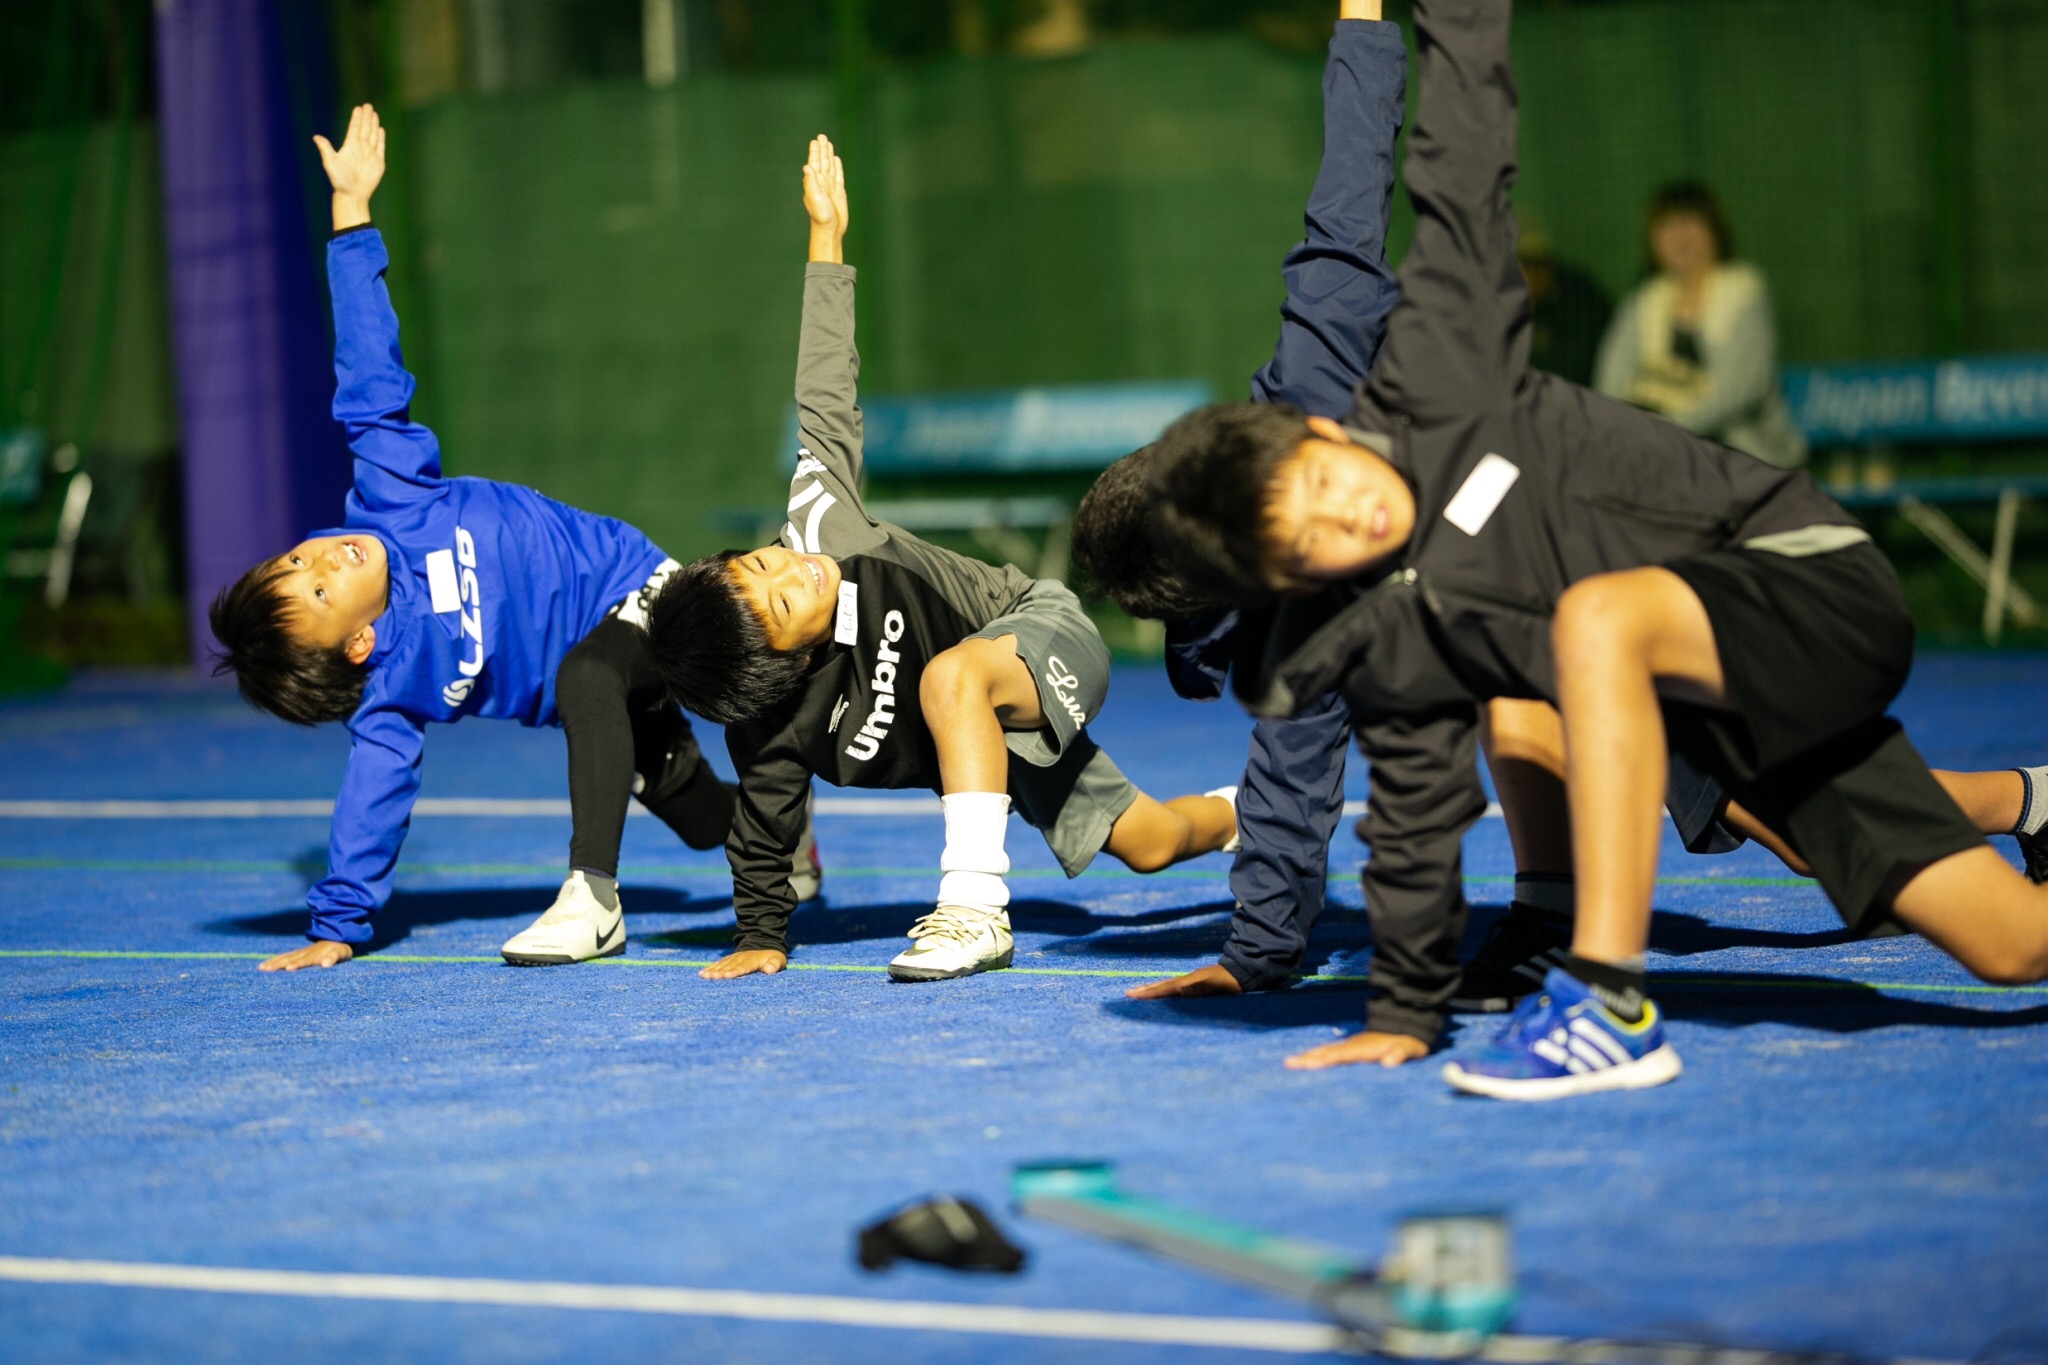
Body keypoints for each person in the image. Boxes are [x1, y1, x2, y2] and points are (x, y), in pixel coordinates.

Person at [1145, 0, 2048, 1097]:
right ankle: (2031, 801)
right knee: (2009, 947)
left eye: (1329, 486)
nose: (1354, 519)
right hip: (1680, 673)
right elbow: (1417, 813)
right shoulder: (1379, 630)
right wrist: (1401, 1014)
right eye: (1314, 541)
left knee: (1583, 622)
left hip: (1798, 571)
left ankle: (1604, 1004)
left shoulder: (1440, 371)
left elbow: (1458, 159)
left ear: (1325, 432)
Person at [209, 105, 818, 973]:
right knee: (686, 804)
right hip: (593, 693)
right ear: (358, 642)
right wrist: (338, 923)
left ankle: (592, 899)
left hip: (628, 585)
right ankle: (785, 841)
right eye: (313, 589)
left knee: (589, 673)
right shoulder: (391, 696)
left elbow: (368, 371)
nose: (319, 559)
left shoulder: (386, 495)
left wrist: (351, 217)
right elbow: (370, 801)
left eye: (295, 559)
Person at [644, 134, 1238, 984]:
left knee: (951, 676)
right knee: (1150, 844)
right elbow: (765, 824)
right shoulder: (770, 728)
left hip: (1032, 631)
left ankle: (974, 911)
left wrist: (826, 240)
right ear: (777, 667)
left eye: (759, 563)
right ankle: (1258, 813)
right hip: (983, 741)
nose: (791, 570)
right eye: (778, 604)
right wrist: (761, 932)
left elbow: (824, 394)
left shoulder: (822, 529)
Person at [1594, 180, 1805, 468]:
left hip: (1742, 456)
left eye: (1691, 224)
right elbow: (1611, 383)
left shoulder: (1745, 291)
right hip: (1659, 457)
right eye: (1668, 226)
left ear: (1716, 232)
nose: (1680, 237)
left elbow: (1742, 389)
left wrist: (1666, 430)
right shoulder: (1641, 302)